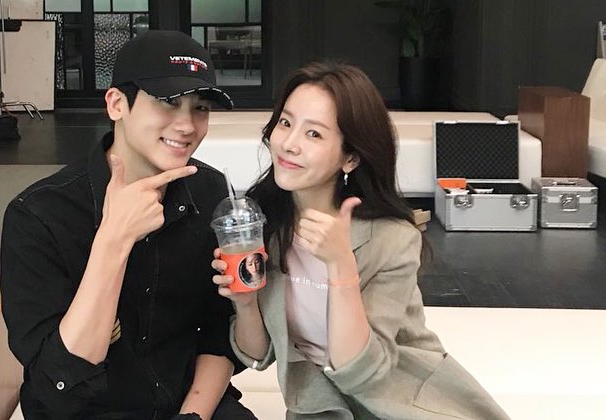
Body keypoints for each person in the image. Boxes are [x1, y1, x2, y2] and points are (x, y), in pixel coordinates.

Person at [212, 62, 510, 419]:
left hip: (404, 403)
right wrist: (246, 303)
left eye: (314, 134)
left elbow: (361, 372)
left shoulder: (391, 239)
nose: (289, 144)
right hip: (320, 407)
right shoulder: (268, 228)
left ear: (350, 158)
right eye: (286, 123)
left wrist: (341, 268)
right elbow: (257, 356)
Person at [0, 30, 257, 420]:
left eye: (200, 108)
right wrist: (114, 240)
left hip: (190, 405)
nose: (187, 125)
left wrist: (192, 417)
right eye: (168, 103)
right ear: (117, 104)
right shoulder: (39, 214)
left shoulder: (210, 192)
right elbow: (58, 382)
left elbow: (218, 334)